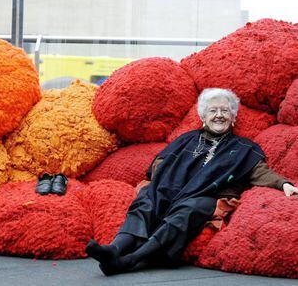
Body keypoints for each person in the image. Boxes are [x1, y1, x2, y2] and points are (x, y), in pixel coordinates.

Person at [86, 88, 298, 276]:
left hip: (208, 196)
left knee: (190, 208)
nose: (219, 115)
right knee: (146, 198)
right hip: (170, 190)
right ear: (203, 117)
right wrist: (163, 182)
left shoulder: (244, 148)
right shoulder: (186, 138)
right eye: (213, 110)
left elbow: (259, 171)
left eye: (225, 111)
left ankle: (131, 260)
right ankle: (114, 249)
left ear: (233, 117)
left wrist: (283, 184)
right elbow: (160, 162)